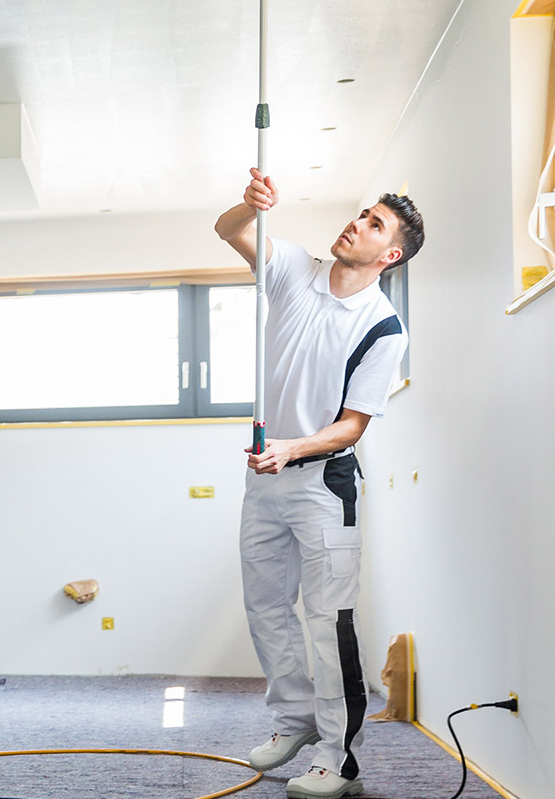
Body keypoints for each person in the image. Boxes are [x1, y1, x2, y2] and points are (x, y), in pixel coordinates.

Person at [213, 169, 422, 799]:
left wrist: (291, 449)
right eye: (363, 212)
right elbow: (229, 230)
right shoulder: (295, 268)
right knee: (265, 608)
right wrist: (247, 204)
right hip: (265, 479)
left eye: (374, 224)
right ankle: (295, 720)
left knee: (328, 620)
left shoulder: (384, 328)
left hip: (322, 485)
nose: (358, 222)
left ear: (390, 255)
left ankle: (338, 754)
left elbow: (351, 427)